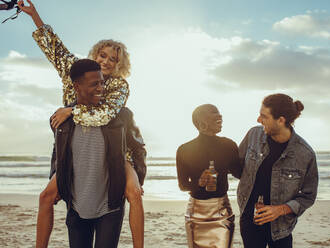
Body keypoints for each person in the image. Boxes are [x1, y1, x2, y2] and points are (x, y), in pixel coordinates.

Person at [17, 1, 145, 247]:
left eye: (113, 60)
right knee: (47, 196)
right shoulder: (75, 71)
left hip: (115, 148)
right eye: (103, 55)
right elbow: (53, 48)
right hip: (75, 146)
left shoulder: (119, 86)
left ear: (120, 65)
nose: (107, 61)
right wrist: (34, 14)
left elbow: (104, 115)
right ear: (95, 54)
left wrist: (70, 111)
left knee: (133, 193)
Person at [39, 59, 145, 248]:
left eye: (102, 82)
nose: (101, 88)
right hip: (77, 205)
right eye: (94, 84)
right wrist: (57, 179)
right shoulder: (62, 120)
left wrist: (137, 176)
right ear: (77, 86)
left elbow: (138, 147)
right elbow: (58, 153)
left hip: (110, 205)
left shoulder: (120, 115)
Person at [238, 93, 319, 248]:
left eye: (264, 116)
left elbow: (308, 196)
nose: (258, 120)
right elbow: (237, 167)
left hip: (281, 227)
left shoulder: (305, 154)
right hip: (249, 220)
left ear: (281, 120)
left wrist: (280, 210)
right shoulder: (253, 135)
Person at [176, 104, 243, 248]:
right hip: (196, 215)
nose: (220, 116)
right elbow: (182, 185)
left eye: (219, 112)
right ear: (201, 122)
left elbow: (240, 173)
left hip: (222, 212)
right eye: (213, 112)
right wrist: (199, 183)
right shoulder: (184, 150)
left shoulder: (229, 145)